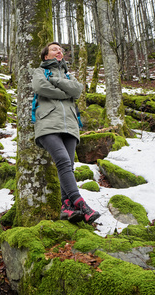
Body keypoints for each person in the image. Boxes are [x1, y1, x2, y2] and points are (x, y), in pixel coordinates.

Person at [31, 42, 100, 224]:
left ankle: (66, 207)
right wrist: (65, 92)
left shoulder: (69, 75)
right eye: (54, 49)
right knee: (62, 159)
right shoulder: (40, 72)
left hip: (70, 124)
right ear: (46, 56)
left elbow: (77, 90)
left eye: (60, 49)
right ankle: (81, 203)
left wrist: (56, 81)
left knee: (68, 166)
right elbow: (40, 87)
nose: (59, 51)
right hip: (47, 123)